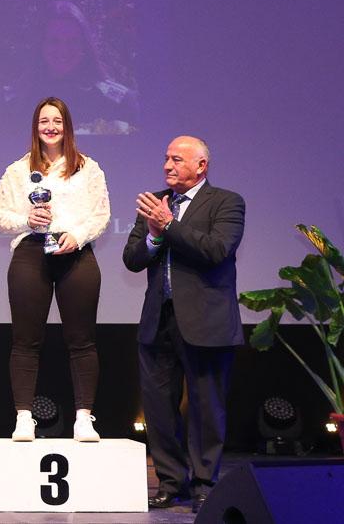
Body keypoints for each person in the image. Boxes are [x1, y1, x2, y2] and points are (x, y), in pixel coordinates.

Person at [123, 136, 245, 513]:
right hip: (158, 320)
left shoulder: (226, 202)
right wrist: (153, 235)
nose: (167, 166)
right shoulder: (156, 203)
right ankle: (170, 482)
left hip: (207, 322)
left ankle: (204, 484)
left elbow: (216, 250)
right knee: (158, 408)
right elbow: (132, 259)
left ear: (201, 166)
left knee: (206, 408)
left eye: (177, 159)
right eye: (166, 158)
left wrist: (169, 225)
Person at [0, 97, 110, 442]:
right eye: (44, 121)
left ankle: (84, 419)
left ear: (67, 126)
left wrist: (78, 236)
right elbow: (0, 217)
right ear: (35, 127)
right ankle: (23, 417)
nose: (50, 127)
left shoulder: (88, 168)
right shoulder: (17, 170)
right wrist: (27, 219)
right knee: (25, 340)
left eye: (57, 121)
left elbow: (101, 214)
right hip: (32, 251)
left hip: (76, 251)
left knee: (82, 340)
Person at [12, 1, 138, 135]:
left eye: (72, 41)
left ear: (85, 45)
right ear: (41, 45)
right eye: (54, 41)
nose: (63, 50)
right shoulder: (19, 97)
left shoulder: (120, 102)